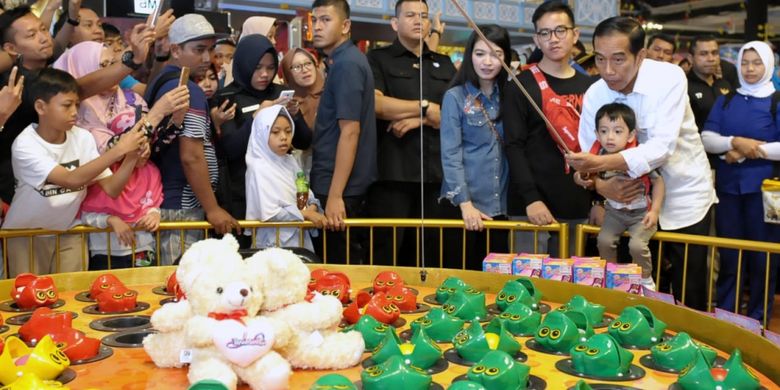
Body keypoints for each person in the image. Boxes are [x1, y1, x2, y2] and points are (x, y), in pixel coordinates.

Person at [566, 16, 716, 311]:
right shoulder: (596, 92)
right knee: (636, 286)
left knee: (688, 289)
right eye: (600, 59)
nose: (608, 70)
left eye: (619, 59)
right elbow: (588, 153)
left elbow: (661, 148)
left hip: (683, 198)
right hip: (628, 206)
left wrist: (598, 163)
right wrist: (595, 183)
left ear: (641, 56)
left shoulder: (670, 78)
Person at [0, 6, 154, 206]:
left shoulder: (47, 71)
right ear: (11, 48)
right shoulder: (15, 82)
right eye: (31, 35)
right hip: (14, 193)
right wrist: (131, 59)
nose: (43, 37)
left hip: (54, 198)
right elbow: (80, 87)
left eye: (43, 29)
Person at [54, 41, 188, 270]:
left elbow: (152, 144)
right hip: (100, 214)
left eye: (112, 64)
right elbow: (114, 148)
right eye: (101, 66)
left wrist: (173, 122)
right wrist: (155, 115)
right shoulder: (74, 114)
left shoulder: (133, 100)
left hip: (137, 196)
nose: (111, 73)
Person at [2, 68, 146, 276]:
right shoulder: (25, 143)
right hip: (25, 235)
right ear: (41, 107)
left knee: (72, 299)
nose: (74, 112)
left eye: (77, 105)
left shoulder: (82, 137)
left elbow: (113, 188)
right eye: (66, 105)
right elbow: (70, 179)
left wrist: (131, 157)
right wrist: (119, 150)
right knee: (29, 302)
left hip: (69, 230)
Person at [365, 0, 458, 267]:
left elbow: (454, 115)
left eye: (424, 16)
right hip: (393, 173)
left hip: (438, 176)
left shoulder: (443, 63)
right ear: (395, 23)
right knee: (388, 252)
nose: (419, 20)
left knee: (434, 255)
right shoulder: (378, 59)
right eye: (410, 15)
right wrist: (426, 109)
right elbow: (378, 106)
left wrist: (419, 120)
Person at [503, 0, 596, 257]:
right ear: (536, 38)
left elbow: (599, 145)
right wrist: (531, 198)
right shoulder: (520, 85)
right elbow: (513, 145)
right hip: (530, 206)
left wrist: (599, 199)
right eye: (545, 33)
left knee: (570, 288)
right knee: (529, 287)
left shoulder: (591, 87)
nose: (553, 39)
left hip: (577, 203)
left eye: (560, 31)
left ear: (575, 34)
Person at [145, 14, 238, 264]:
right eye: (199, 50)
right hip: (183, 207)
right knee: (182, 286)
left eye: (209, 50)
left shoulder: (159, 82)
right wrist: (212, 208)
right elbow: (191, 156)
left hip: (164, 201)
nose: (207, 59)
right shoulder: (190, 91)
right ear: (175, 49)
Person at [701, 41, 780, 322]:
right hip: (728, 190)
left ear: (769, 64)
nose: (749, 69)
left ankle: (758, 319)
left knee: (763, 259)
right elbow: (707, 139)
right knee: (730, 257)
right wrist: (735, 141)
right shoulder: (727, 99)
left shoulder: (776, 100)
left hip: (766, 193)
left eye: (757, 63)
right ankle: (727, 316)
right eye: (745, 62)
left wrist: (744, 153)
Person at [216, 34, 311, 240]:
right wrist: (258, 116)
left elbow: (304, 141)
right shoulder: (227, 97)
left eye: (270, 68)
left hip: (282, 193)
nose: (264, 74)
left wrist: (296, 116)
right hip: (243, 193)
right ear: (244, 65)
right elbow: (229, 149)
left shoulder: (281, 92)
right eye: (257, 67)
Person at [310, 0, 377, 263]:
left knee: (339, 272)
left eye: (326, 20)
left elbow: (350, 131)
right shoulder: (340, 61)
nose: (317, 27)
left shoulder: (348, 63)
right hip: (339, 183)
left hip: (341, 188)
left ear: (345, 25)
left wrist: (336, 194)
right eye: (314, 20)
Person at [440, 24, 511, 269]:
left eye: (496, 54)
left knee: (499, 283)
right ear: (470, 55)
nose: (488, 62)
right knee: (465, 278)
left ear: (506, 58)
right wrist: (466, 204)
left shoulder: (511, 95)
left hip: (502, 207)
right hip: (466, 208)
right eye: (480, 53)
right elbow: (450, 154)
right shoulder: (455, 97)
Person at [592, 103, 664, 290]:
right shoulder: (597, 156)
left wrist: (655, 211)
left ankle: (646, 278)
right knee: (604, 241)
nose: (610, 137)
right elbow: (586, 178)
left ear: (631, 135)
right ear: (596, 134)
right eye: (604, 131)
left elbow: (659, 182)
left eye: (617, 131)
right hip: (614, 213)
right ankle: (612, 276)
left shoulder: (639, 155)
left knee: (637, 246)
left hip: (640, 214)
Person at [245, 105, 328, 251]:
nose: (283, 137)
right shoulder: (258, 167)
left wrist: (312, 205)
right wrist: (306, 214)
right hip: (272, 241)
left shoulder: (290, 160)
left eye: (288, 131)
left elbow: (303, 188)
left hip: (299, 235)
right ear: (261, 134)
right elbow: (270, 213)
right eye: (275, 132)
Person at [280, 47, 325, 175]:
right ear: (288, 74)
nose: (305, 70)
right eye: (297, 67)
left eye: (308, 63)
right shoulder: (287, 103)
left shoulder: (330, 95)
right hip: (299, 171)